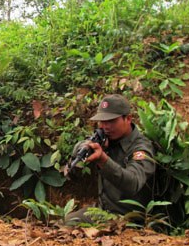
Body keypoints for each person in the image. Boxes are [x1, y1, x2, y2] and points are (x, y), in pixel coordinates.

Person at [65, 94, 156, 225]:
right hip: (103, 211)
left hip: (129, 219)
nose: (105, 127)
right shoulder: (107, 139)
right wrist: (85, 146)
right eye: (102, 121)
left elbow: (133, 183)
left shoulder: (140, 148)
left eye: (111, 121)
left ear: (128, 119)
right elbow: (80, 147)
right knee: (68, 221)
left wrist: (103, 160)